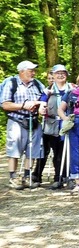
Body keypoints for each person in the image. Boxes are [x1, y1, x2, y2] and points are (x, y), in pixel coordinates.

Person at [2, 61, 47, 190]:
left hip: (33, 121)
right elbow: (5, 104)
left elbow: (44, 96)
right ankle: (13, 177)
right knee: (14, 149)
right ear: (21, 71)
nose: (33, 73)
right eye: (30, 70)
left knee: (32, 150)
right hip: (17, 120)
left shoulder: (37, 84)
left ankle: (27, 177)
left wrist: (41, 105)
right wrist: (23, 106)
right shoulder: (12, 83)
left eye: (34, 71)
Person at [36, 65, 73, 189]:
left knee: (64, 152)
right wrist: (42, 108)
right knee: (55, 151)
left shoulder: (72, 89)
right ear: (53, 75)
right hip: (51, 125)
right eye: (58, 73)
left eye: (63, 73)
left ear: (66, 75)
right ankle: (58, 177)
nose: (60, 75)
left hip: (67, 125)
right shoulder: (48, 91)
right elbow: (42, 104)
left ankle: (63, 177)